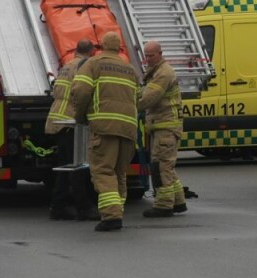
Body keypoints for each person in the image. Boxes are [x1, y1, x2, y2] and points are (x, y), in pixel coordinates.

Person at [70, 32, 140, 231]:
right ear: (119, 47)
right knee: (119, 172)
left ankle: (111, 216)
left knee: (103, 170)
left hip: (104, 127)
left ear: (101, 45)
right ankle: (118, 209)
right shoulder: (130, 69)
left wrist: (80, 115)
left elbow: (81, 90)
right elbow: (139, 98)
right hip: (127, 129)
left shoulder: (94, 64)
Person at [45, 39, 99, 221]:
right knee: (79, 166)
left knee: (66, 166)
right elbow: (83, 93)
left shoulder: (67, 66)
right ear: (92, 52)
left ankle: (58, 206)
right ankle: (83, 207)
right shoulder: (85, 66)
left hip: (59, 120)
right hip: (71, 122)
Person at [138, 40, 187, 218]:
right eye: (146, 56)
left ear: (160, 53)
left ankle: (164, 205)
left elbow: (148, 99)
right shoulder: (157, 71)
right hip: (163, 125)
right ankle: (178, 201)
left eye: (151, 55)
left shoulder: (163, 73)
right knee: (167, 166)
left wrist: (129, 104)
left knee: (160, 166)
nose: (148, 59)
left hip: (166, 126)